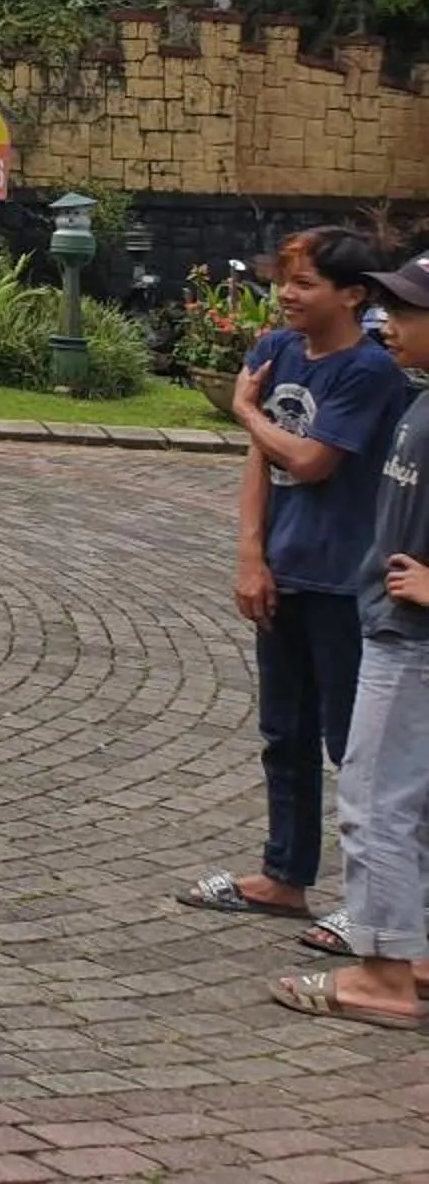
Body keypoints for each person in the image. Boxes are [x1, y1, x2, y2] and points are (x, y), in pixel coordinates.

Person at [178, 226, 403, 924]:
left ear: (354, 295)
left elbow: (310, 460)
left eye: (304, 283)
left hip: (345, 580)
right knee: (286, 732)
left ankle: (377, 910)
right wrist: (251, 555)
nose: (286, 294)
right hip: (285, 570)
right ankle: (285, 876)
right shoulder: (276, 350)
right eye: (284, 279)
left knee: (353, 747)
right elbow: (262, 463)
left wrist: (245, 409)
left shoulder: (369, 372)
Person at [269, 245, 429, 1027]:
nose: (387, 323)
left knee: (374, 803)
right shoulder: (419, 396)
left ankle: (382, 977)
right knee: (409, 803)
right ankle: (415, 952)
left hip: (412, 638)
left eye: (405, 313)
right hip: (390, 622)